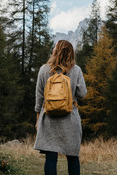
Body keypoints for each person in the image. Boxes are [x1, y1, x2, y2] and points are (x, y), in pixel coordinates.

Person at [34, 40, 87, 175]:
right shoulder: (76, 70)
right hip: (70, 118)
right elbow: (82, 94)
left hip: (49, 119)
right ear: (71, 53)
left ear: (55, 51)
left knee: (51, 158)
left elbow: (39, 98)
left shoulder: (44, 70)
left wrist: (38, 119)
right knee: (73, 158)